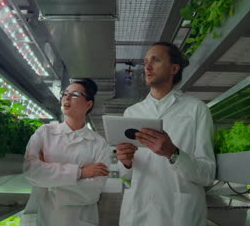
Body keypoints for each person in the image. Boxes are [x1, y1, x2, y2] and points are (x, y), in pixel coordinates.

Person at [116, 42, 216, 226]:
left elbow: (208, 175)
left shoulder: (196, 110)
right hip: (139, 213)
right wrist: (125, 162)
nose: (147, 66)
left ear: (174, 68)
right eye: (146, 61)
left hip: (179, 215)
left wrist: (173, 153)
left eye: (156, 60)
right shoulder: (132, 113)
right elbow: (127, 175)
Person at [22, 78, 110, 226]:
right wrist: (80, 173)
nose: (67, 98)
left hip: (80, 220)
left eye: (75, 95)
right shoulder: (44, 133)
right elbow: (30, 171)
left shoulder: (99, 144)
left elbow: (93, 192)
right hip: (46, 218)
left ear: (88, 104)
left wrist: (49, 181)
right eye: (65, 94)